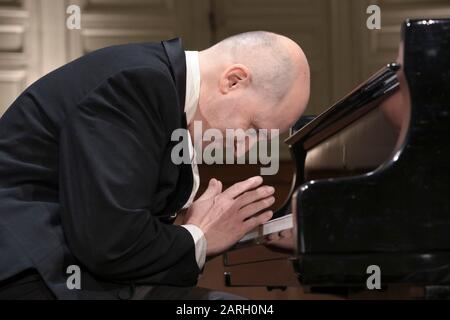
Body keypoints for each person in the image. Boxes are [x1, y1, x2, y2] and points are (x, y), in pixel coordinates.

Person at [0, 31, 310, 299]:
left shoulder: (157, 85)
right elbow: (110, 243)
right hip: (31, 273)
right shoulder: (138, 84)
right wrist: (197, 238)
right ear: (233, 80)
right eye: (253, 128)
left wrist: (195, 232)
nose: (246, 149)